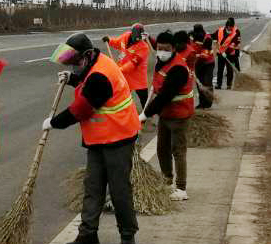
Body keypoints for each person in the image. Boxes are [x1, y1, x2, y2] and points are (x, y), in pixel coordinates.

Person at [46, 32, 141, 244]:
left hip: (118, 137)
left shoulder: (101, 75)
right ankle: (88, 235)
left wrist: (54, 122)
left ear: (88, 55)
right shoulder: (94, 64)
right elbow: (85, 80)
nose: (74, 66)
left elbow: (81, 109)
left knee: (119, 190)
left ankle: (127, 236)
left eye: (76, 62)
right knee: (93, 187)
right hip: (98, 139)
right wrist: (72, 79)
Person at [142, 30, 193, 200]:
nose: (161, 52)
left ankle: (181, 188)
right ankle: (167, 181)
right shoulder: (162, 61)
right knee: (162, 149)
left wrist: (146, 114)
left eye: (166, 49)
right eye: (159, 48)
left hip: (179, 114)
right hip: (165, 114)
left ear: (173, 49)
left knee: (178, 151)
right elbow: (159, 84)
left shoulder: (179, 68)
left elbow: (165, 96)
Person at [103, 23, 150, 109]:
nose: (137, 41)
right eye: (136, 39)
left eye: (139, 39)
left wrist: (120, 70)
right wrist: (109, 40)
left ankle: (146, 113)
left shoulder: (144, 47)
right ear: (132, 33)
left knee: (144, 99)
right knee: (122, 96)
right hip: (125, 75)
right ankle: (123, 111)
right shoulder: (125, 36)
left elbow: (133, 63)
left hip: (138, 76)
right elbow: (117, 43)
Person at [191, 24, 215, 108]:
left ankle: (208, 102)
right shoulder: (192, 36)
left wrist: (195, 56)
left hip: (208, 63)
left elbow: (205, 56)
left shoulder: (207, 38)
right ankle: (202, 102)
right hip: (198, 63)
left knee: (207, 82)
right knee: (199, 84)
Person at [215, 17, 242, 90]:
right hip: (221, 54)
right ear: (226, 26)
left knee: (230, 70)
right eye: (228, 27)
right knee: (220, 70)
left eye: (231, 27)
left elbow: (236, 43)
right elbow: (214, 37)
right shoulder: (220, 30)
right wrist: (208, 35)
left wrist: (227, 52)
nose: (230, 28)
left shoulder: (236, 32)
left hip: (231, 55)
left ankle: (229, 85)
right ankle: (218, 84)